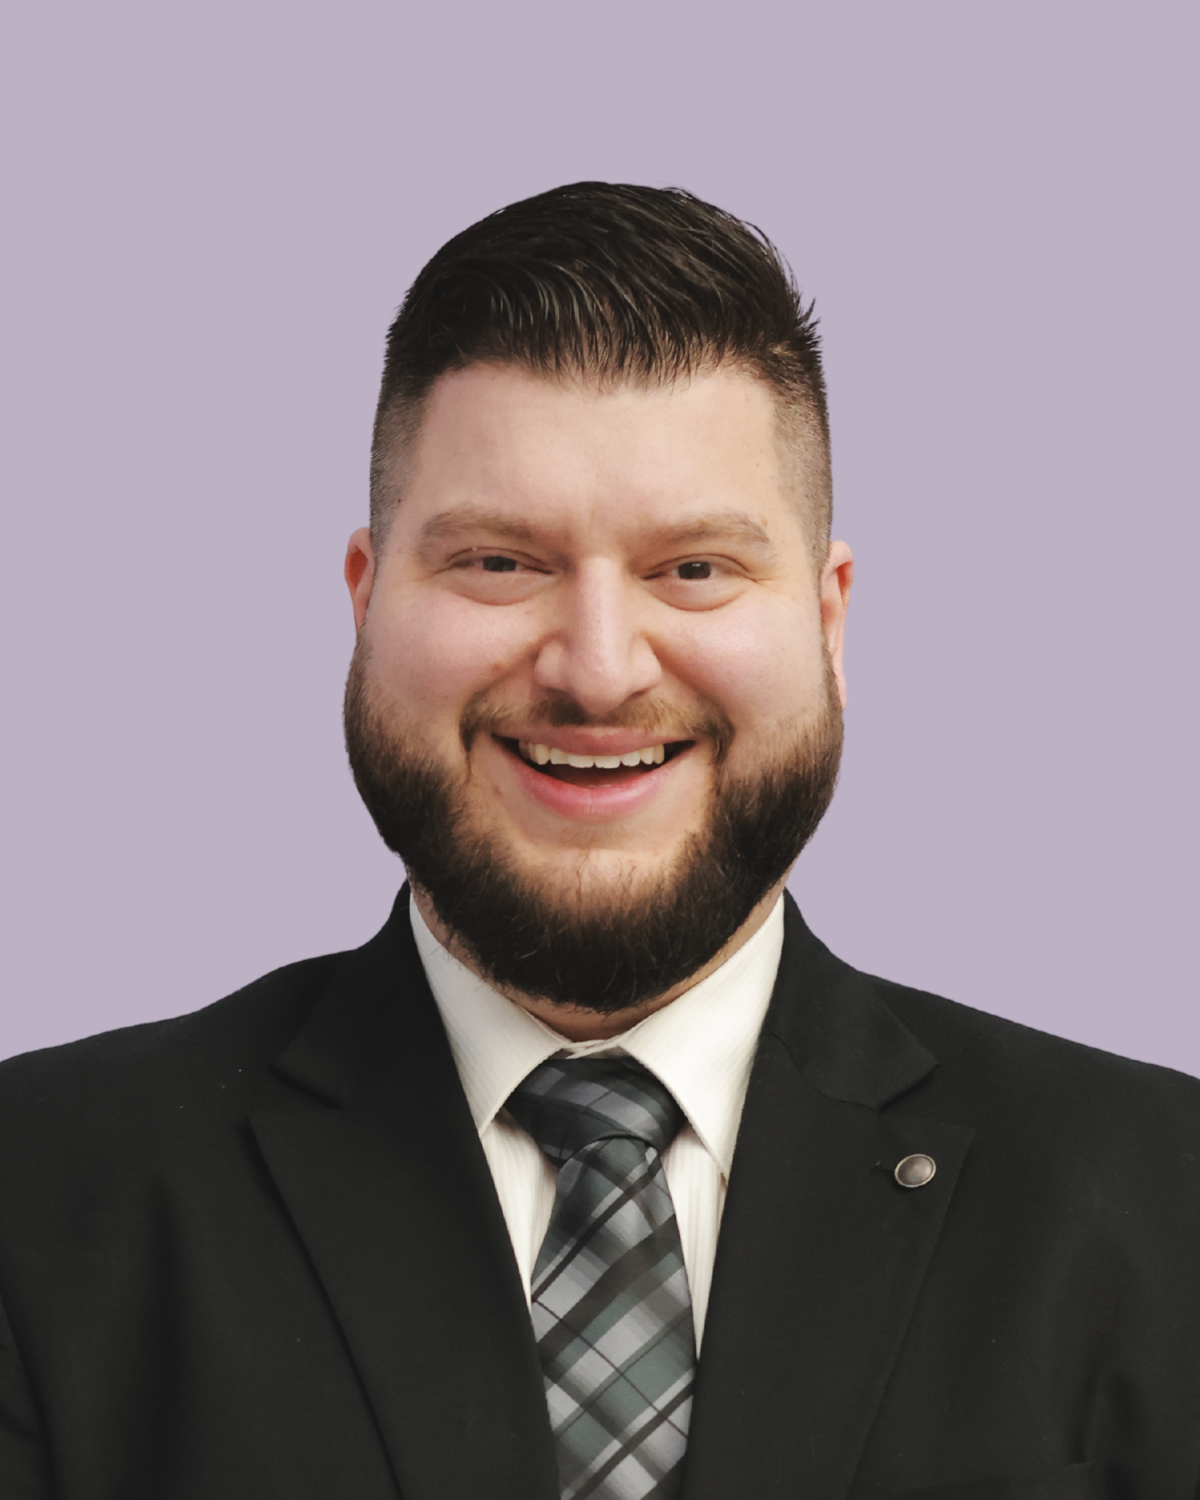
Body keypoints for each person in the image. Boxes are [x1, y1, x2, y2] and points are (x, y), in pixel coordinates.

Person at [0, 183, 1197, 1500]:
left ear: (827, 618)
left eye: (694, 568)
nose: (598, 669)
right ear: (366, 598)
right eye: (500, 563)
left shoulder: (1164, 1201)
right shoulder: (36, 1196)